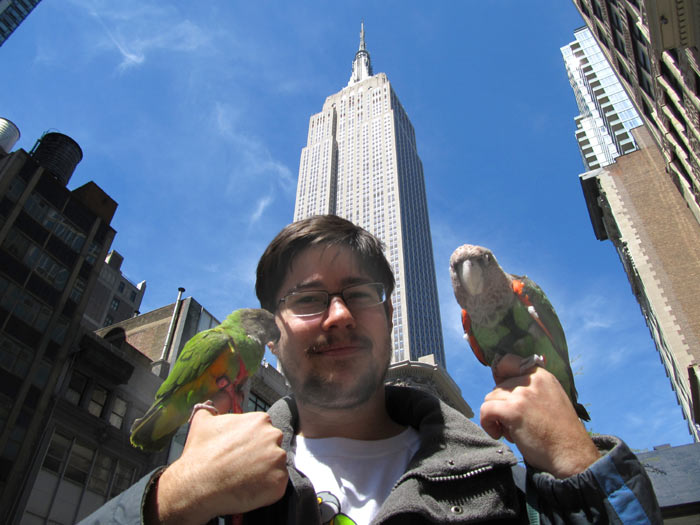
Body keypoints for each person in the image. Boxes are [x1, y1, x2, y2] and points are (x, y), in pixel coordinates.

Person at [82, 215, 661, 524]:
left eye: (358, 293)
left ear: (389, 314)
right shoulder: (208, 494)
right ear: (273, 325)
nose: (336, 316)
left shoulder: (507, 482)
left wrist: (579, 466)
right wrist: (172, 501)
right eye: (307, 300)